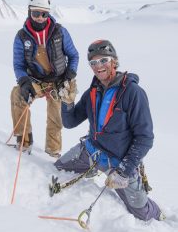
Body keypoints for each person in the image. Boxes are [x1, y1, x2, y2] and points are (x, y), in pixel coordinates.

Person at [54, 39, 163, 221]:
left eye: (103, 60)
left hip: (119, 162)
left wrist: (124, 170)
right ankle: (90, 168)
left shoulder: (133, 93)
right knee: (57, 170)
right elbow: (70, 122)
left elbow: (145, 138)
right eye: (93, 62)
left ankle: (158, 213)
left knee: (142, 213)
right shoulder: (92, 92)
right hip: (91, 151)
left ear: (114, 61)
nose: (99, 66)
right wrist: (67, 103)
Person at [11, 0, 79, 158]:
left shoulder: (60, 32)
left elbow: (74, 55)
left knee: (56, 117)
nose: (40, 18)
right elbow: (18, 64)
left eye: (44, 14)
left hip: (59, 80)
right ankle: (24, 142)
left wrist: (70, 73)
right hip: (35, 80)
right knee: (17, 95)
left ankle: (53, 152)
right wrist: (24, 81)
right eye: (36, 13)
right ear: (29, 12)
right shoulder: (21, 37)